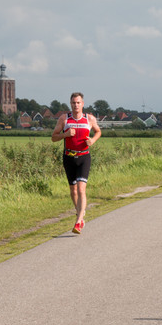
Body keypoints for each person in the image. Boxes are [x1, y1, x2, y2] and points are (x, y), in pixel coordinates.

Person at [51, 92, 101, 234]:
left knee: (81, 189)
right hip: (68, 157)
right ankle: (80, 211)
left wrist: (92, 140)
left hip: (84, 157)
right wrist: (65, 134)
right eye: (73, 103)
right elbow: (53, 137)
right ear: (70, 104)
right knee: (73, 191)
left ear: (82, 104)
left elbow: (98, 132)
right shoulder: (64, 119)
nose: (76, 105)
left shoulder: (89, 119)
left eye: (78, 102)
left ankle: (78, 222)